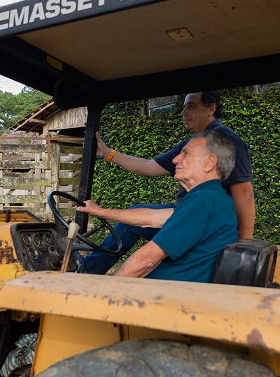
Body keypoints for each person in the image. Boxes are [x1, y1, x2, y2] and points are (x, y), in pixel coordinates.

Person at [76, 91, 254, 275]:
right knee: (135, 217)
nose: (183, 112)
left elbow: (244, 192)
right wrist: (108, 154)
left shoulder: (224, 141)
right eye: (184, 106)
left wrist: (242, 250)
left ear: (211, 109)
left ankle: (87, 271)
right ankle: (88, 269)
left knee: (142, 240)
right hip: (190, 214)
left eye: (191, 106)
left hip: (202, 221)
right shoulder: (193, 143)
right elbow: (150, 166)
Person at [77, 131, 238, 281]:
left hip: (161, 298)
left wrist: (106, 294)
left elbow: (147, 260)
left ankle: (85, 271)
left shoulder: (202, 202)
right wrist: (98, 211)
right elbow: (150, 218)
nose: (175, 159)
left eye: (186, 153)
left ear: (209, 163)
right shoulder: (216, 200)